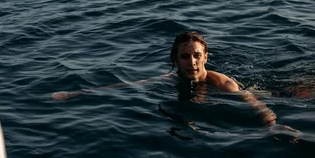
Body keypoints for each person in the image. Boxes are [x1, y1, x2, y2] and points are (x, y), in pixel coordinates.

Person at [53, 31, 279, 127]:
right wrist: (76, 94)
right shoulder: (170, 79)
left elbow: (256, 105)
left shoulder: (222, 82)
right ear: (176, 59)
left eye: (197, 56)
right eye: (185, 57)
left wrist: (273, 127)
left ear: (205, 57)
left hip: (240, 92)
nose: (191, 62)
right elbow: (127, 85)